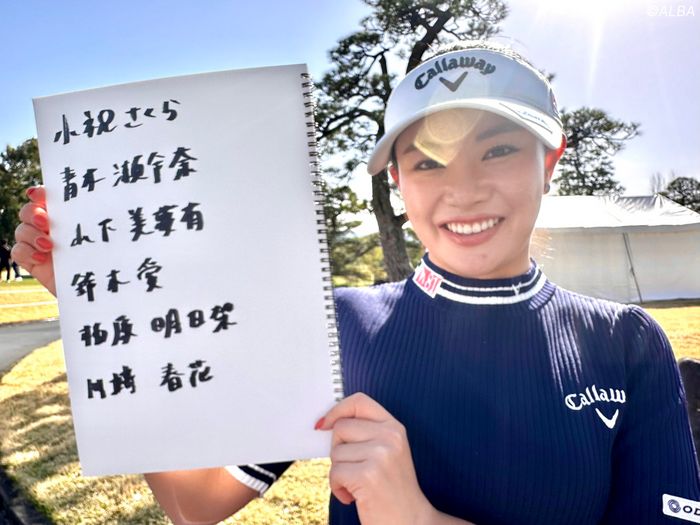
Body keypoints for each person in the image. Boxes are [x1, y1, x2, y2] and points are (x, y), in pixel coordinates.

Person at [13, 41, 700, 525]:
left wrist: (418, 518)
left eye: (497, 149)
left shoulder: (627, 343)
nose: (463, 189)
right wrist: (100, 308)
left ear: (549, 161)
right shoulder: (336, 325)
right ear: (396, 180)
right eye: (427, 162)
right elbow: (196, 503)